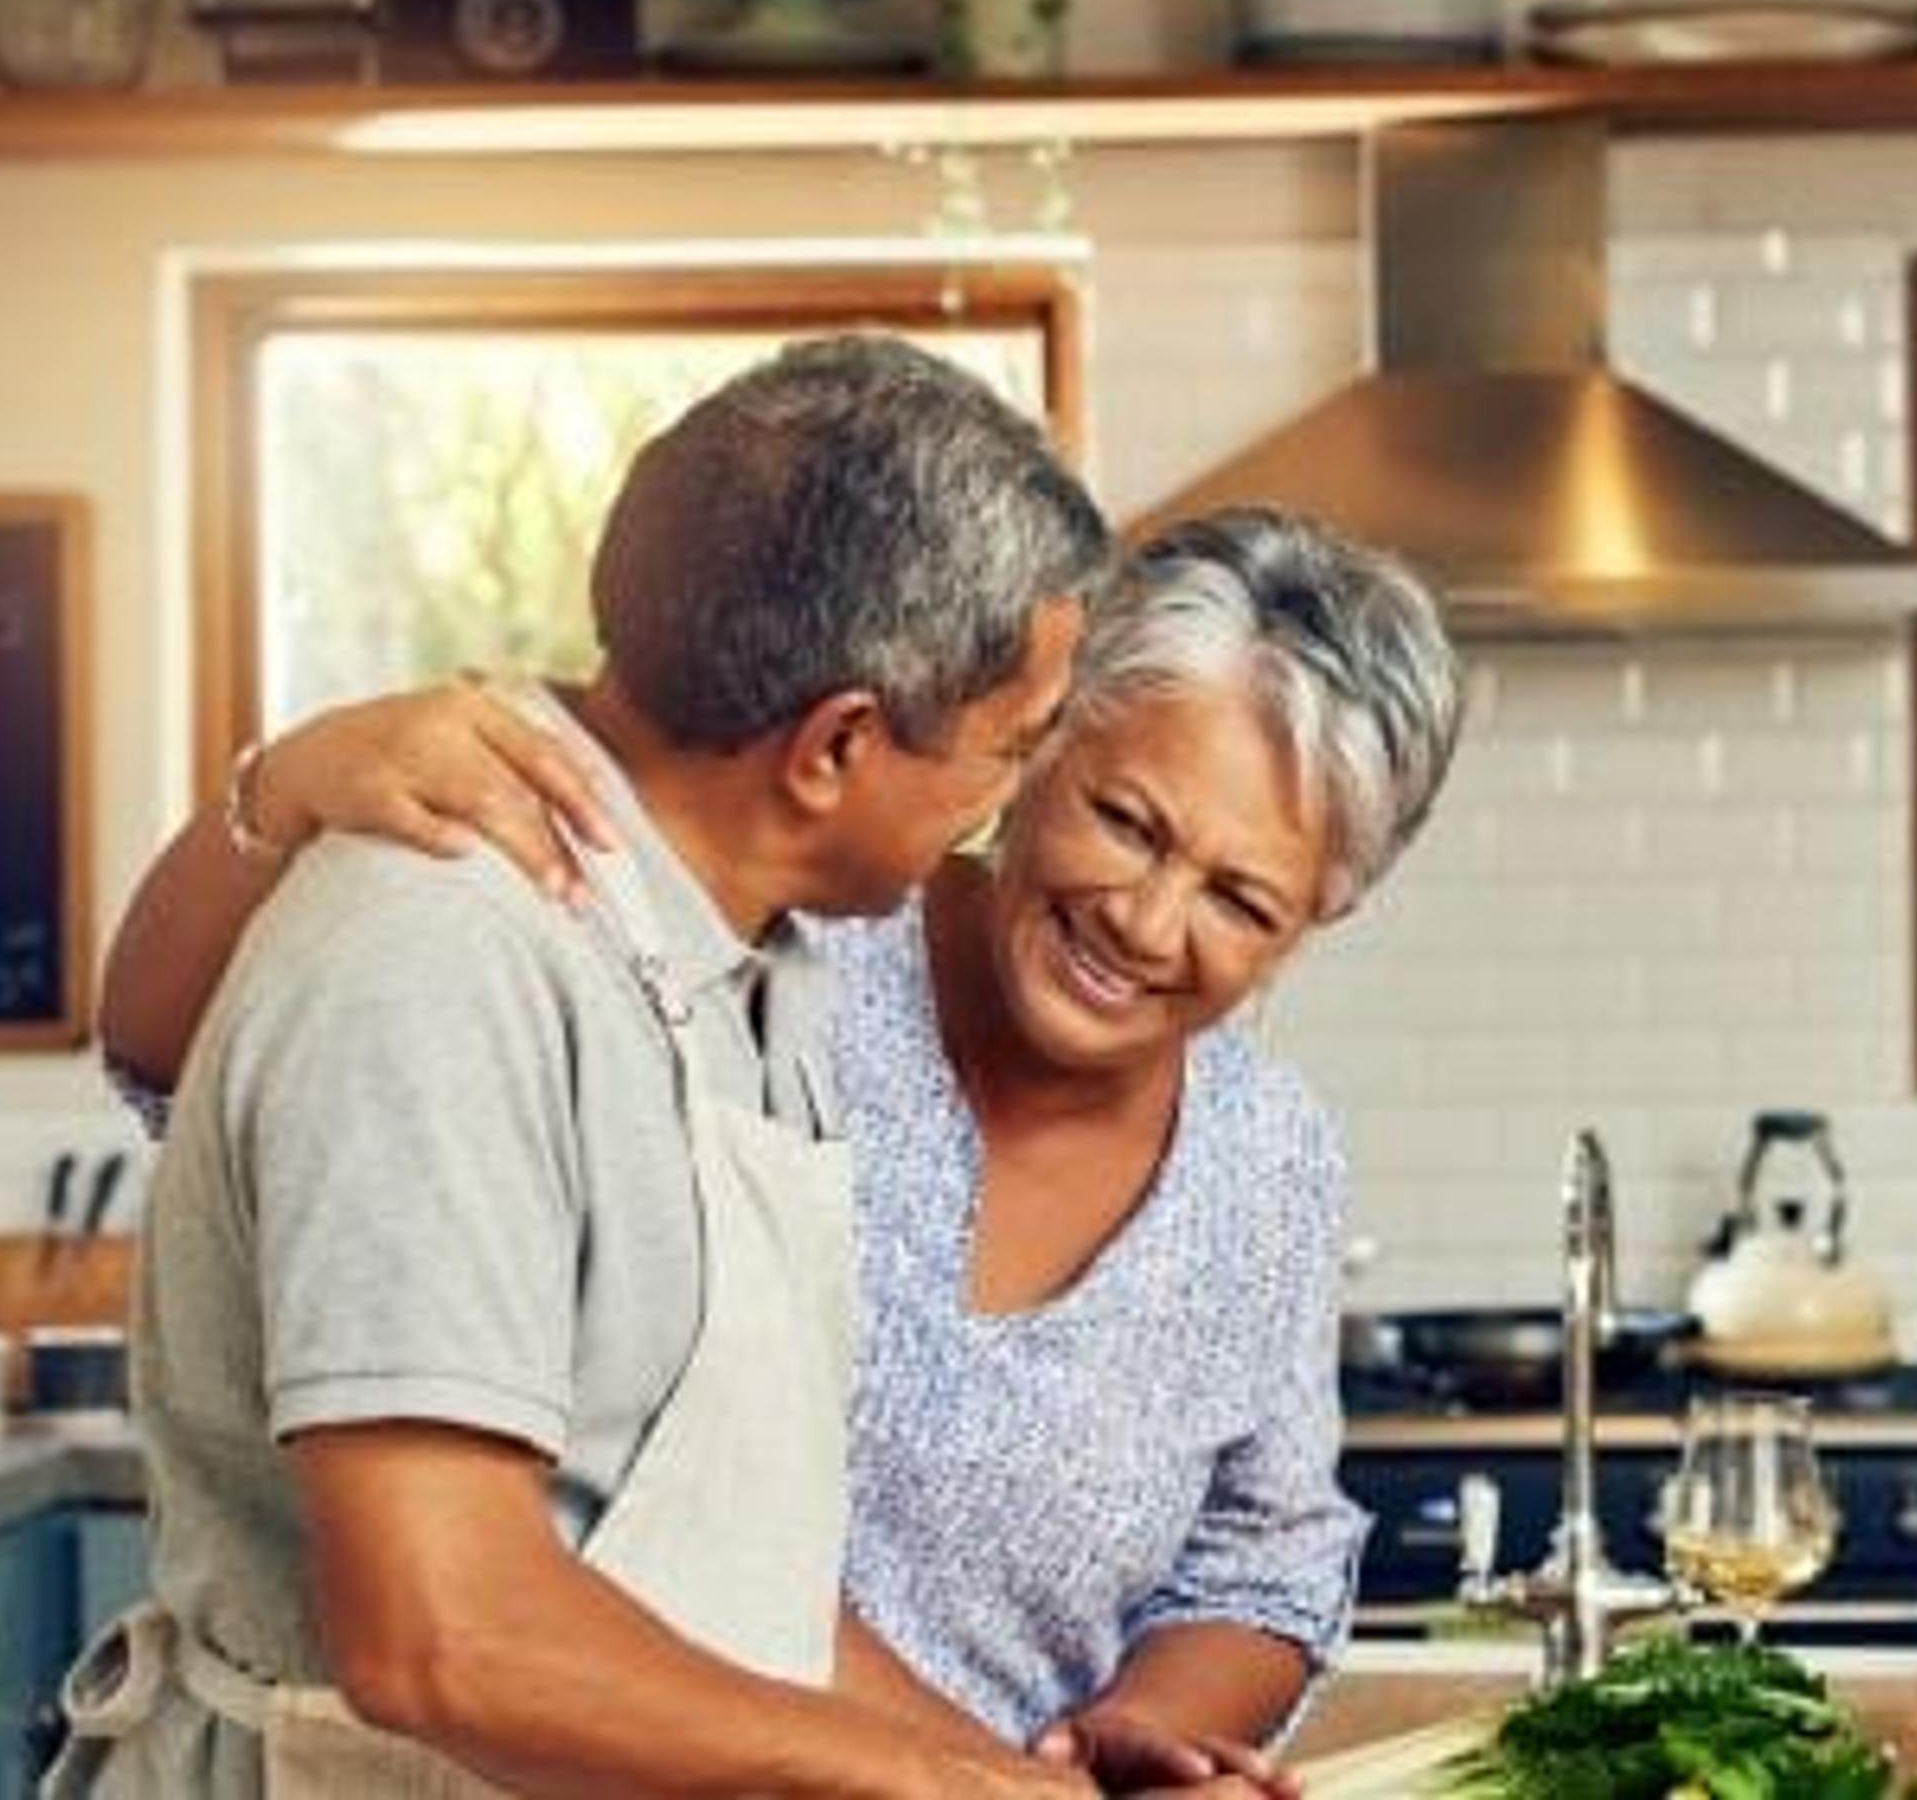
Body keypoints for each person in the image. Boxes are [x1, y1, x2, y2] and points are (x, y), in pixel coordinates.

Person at [98, 509, 1467, 1794]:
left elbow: (1264, 1552)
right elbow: (175, 1058)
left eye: (1241, 900)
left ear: (1311, 928)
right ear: (1037, 744)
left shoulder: (1267, 1160)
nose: (1150, 923)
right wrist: (279, 793)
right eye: (1127, 822)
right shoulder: (790, 949)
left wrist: (1126, 1745)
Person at [47, 335, 1113, 1799]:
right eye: (1010, 748)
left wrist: (1019, 1781)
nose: (1014, 803)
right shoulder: (441, 960)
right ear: (836, 746)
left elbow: (728, 1591)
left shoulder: (752, 963)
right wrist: (944, 1794)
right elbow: (444, 1638)